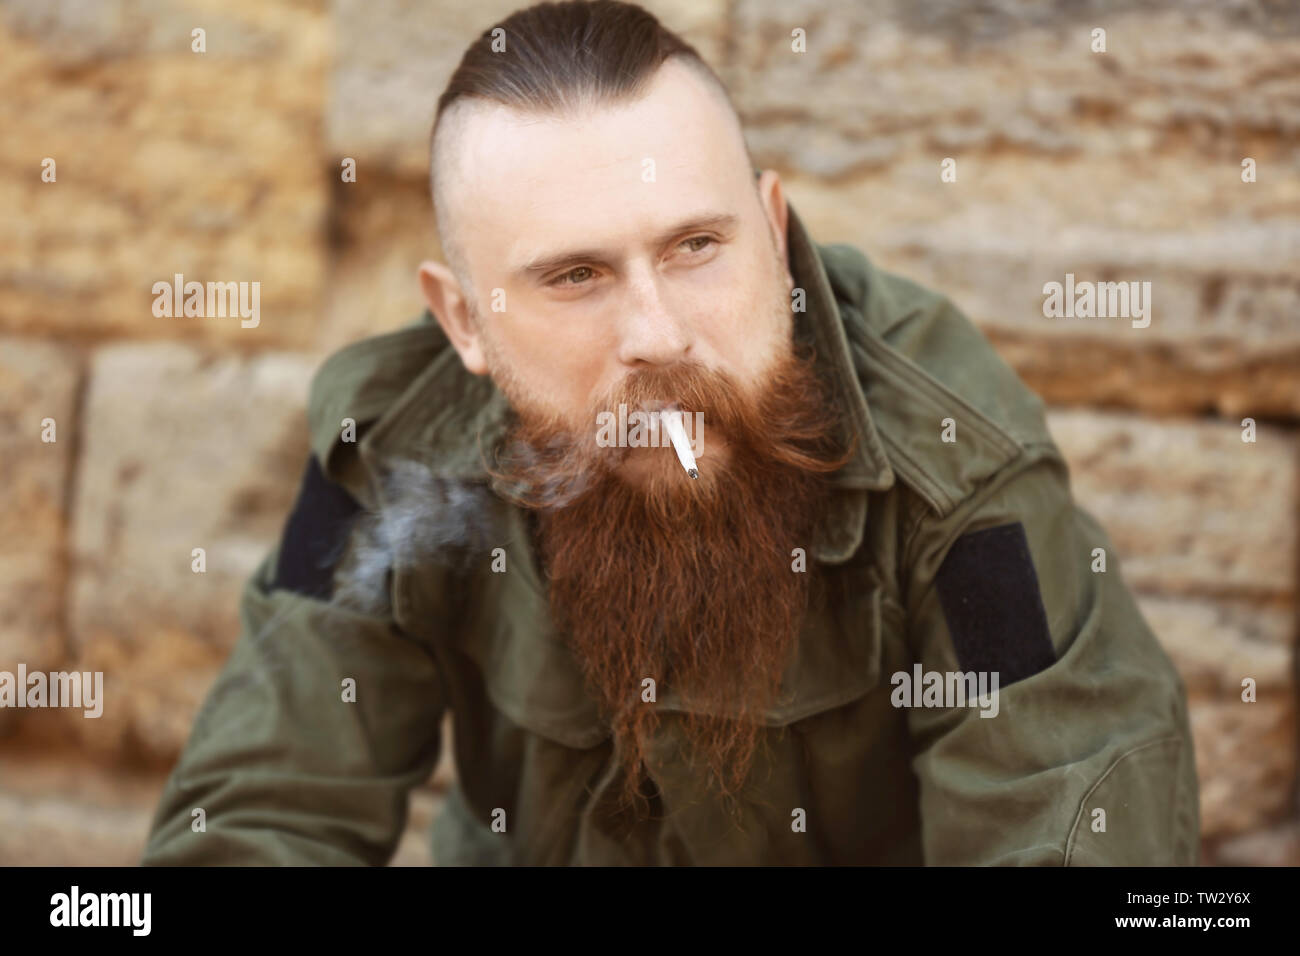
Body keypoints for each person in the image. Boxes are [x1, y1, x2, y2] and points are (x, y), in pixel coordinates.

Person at [141, 0, 1199, 866]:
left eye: (696, 246)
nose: (658, 335)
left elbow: (1072, 830)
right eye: (575, 276)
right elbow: (264, 813)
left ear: (773, 233)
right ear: (463, 319)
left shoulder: (948, 475)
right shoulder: (393, 451)